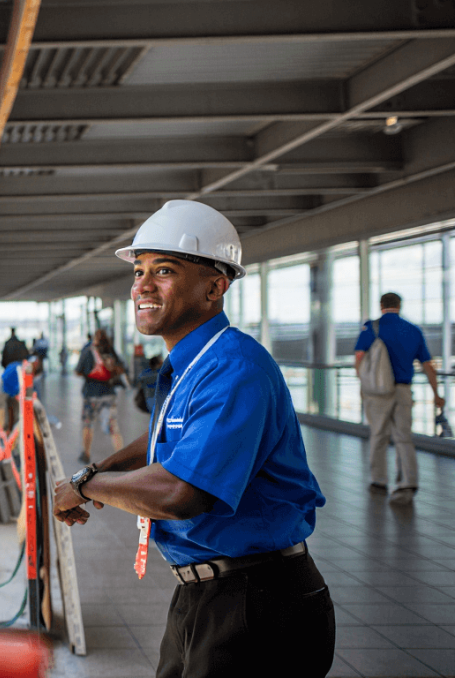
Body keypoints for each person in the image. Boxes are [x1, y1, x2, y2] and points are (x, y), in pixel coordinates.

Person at [52, 200, 333, 677]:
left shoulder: (235, 368)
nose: (142, 285)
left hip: (258, 602)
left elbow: (183, 493)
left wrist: (83, 487)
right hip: (203, 592)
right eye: (139, 271)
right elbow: (163, 436)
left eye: (164, 270)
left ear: (215, 287)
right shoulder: (191, 363)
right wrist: (97, 471)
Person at [354, 292, 444, 505]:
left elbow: (359, 357)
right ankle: (408, 482)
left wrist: (363, 383)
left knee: (378, 435)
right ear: (400, 305)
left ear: (381, 305)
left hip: (378, 392)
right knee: (403, 437)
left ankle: (379, 481)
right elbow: (428, 365)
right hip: (403, 390)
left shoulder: (372, 327)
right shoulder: (413, 330)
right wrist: (436, 394)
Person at [74, 329, 124, 462]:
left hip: (90, 394)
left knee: (87, 424)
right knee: (113, 427)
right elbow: (121, 368)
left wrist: (90, 374)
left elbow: (77, 371)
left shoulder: (87, 351)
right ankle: (122, 457)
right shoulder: (109, 350)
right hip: (108, 394)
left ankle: (86, 454)